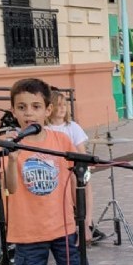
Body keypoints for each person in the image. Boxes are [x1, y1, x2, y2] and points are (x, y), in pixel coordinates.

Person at [2, 78, 115, 265]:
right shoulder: (10, 144)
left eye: (36, 107)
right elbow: (10, 189)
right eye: (22, 107)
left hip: (64, 226)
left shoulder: (61, 141)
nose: (29, 113)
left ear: (48, 110)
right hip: (28, 231)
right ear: (13, 111)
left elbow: (81, 181)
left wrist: (86, 220)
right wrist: (12, 160)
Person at [46, 89, 104, 243]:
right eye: (58, 105)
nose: (62, 108)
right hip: (54, 169)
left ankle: (86, 222)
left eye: (64, 104)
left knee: (82, 181)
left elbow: (81, 152)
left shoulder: (72, 127)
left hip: (73, 168)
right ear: (50, 107)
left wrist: (85, 166)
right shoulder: (46, 129)